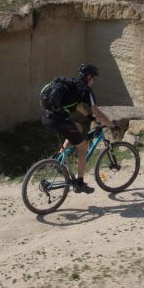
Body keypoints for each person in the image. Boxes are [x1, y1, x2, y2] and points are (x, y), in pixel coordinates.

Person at [41, 63, 116, 194]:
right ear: (89, 77)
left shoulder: (73, 83)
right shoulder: (86, 90)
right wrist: (111, 124)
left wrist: (88, 117)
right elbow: (98, 113)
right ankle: (80, 183)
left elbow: (76, 105)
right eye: (94, 78)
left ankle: (59, 157)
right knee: (83, 146)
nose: (94, 81)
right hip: (59, 121)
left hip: (48, 117)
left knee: (79, 127)